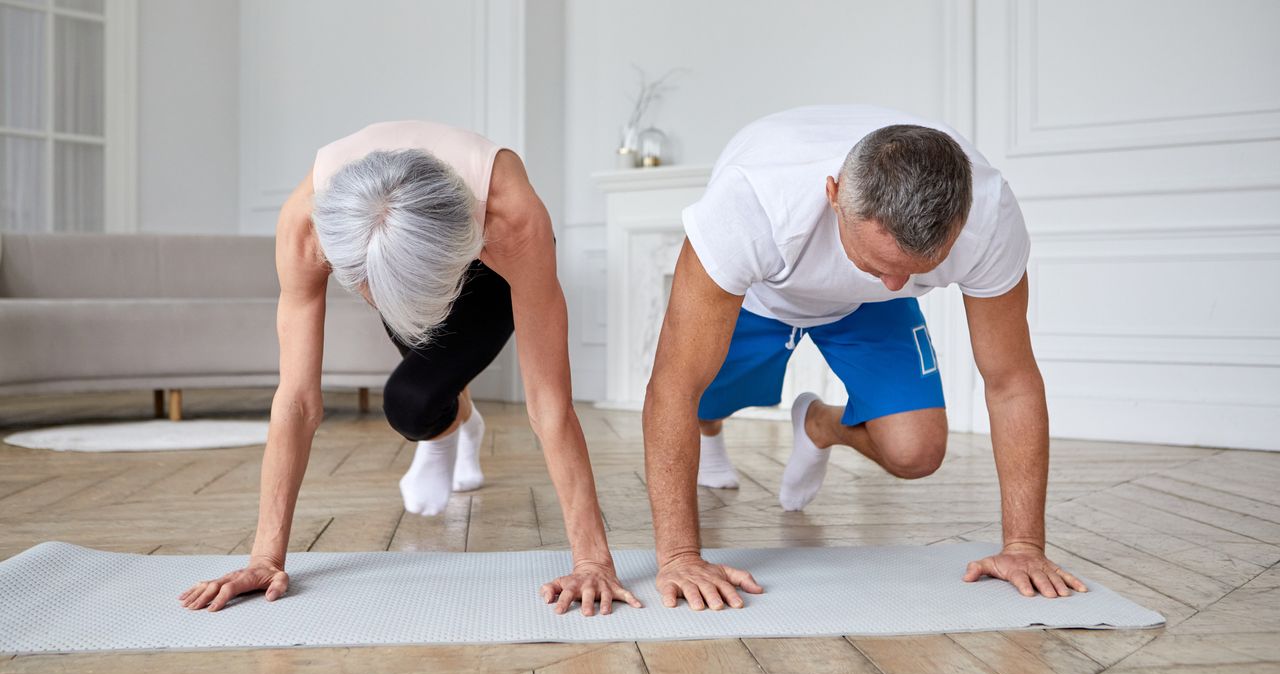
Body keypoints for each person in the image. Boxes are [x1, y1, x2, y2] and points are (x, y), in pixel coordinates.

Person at [180, 121, 639, 616]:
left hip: (485, 264)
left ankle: (452, 414)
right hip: (399, 244)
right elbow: (295, 401)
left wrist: (592, 560)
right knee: (412, 407)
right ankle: (453, 419)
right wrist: (265, 557)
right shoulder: (306, 226)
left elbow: (549, 402)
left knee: (416, 398)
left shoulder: (514, 218)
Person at [642, 105, 1088, 611]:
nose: (900, 283)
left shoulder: (988, 213)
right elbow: (672, 385)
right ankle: (712, 431)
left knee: (916, 452)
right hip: (761, 292)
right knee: (699, 398)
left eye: (919, 269)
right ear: (833, 195)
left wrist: (1024, 547)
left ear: (960, 222)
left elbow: (1011, 381)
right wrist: (679, 556)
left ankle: (819, 426)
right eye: (880, 262)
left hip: (868, 309)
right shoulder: (752, 205)